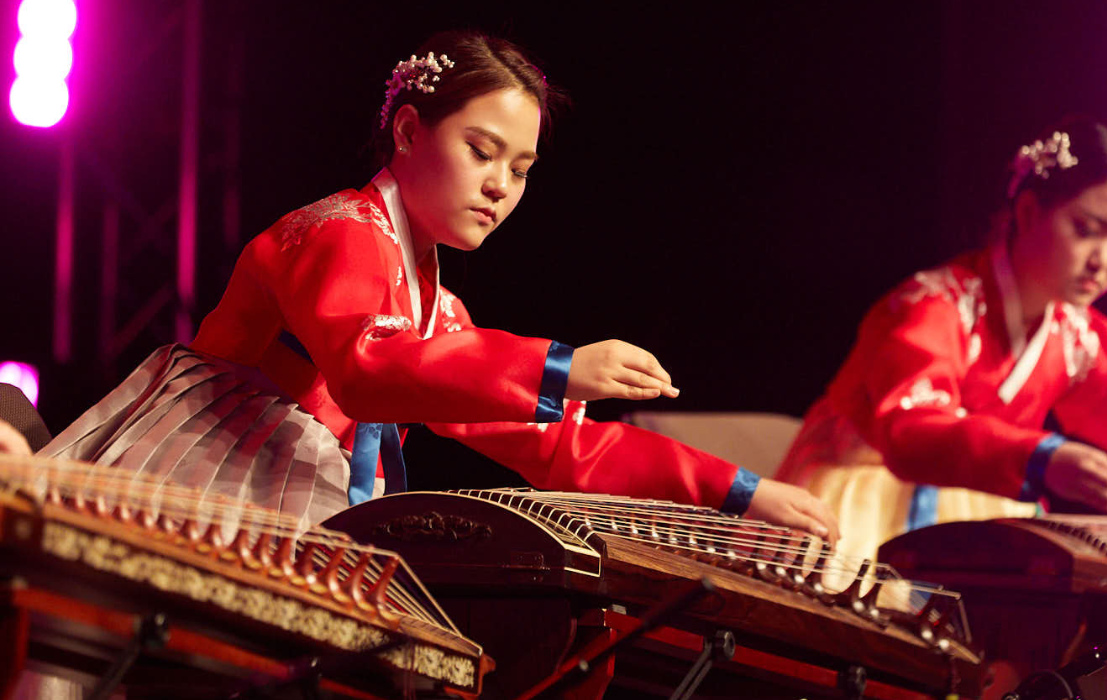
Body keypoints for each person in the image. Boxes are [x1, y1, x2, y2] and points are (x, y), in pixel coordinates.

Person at [39, 31, 838, 541]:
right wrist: (558, 366)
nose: (500, 186)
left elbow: (559, 444)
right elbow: (368, 369)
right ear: (410, 130)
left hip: (298, 498)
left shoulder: (436, 304)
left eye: (520, 169)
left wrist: (739, 491)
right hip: (211, 474)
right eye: (481, 150)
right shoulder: (336, 232)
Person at [775, 117, 1107, 564]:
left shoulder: (1078, 339)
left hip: (978, 514)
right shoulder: (934, 305)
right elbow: (911, 429)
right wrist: (1037, 456)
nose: (1103, 260)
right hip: (861, 501)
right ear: (1028, 212)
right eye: (1088, 230)